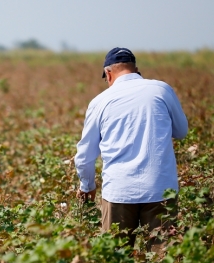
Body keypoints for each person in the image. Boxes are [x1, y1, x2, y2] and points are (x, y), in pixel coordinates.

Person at [74, 47, 188, 251]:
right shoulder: (161, 90)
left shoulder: (100, 101)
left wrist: (87, 186)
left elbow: (84, 156)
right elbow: (181, 131)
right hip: (160, 188)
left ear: (108, 74)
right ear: (136, 70)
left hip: (119, 191)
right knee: (162, 262)